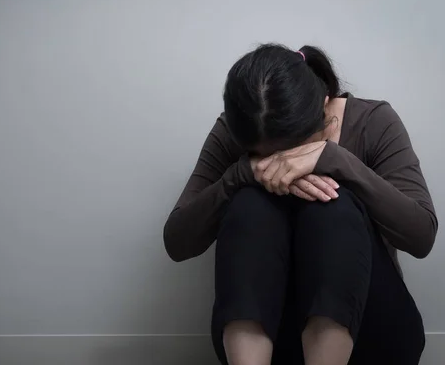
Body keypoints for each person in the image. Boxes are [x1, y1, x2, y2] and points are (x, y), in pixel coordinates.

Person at [163, 44, 438, 365]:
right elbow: (177, 242)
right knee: (250, 201)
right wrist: (238, 175)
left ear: (324, 108)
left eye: (293, 149)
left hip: (371, 332)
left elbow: (421, 236)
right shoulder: (233, 130)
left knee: (332, 205)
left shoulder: (373, 121)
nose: (280, 164)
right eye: (263, 155)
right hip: (271, 340)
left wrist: (337, 161)